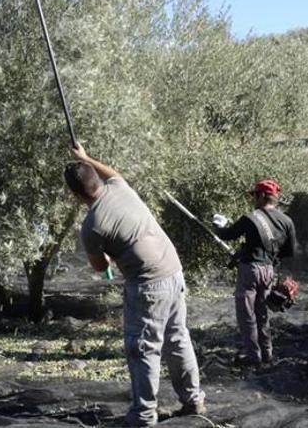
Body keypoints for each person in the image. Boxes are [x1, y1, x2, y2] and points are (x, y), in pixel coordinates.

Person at [64, 143, 205, 427]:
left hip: (147, 285)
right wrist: (86, 157)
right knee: (178, 339)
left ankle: (143, 416)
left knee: (142, 348)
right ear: (97, 179)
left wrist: (107, 254)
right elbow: (113, 173)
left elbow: (100, 267)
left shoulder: (92, 226)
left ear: (77, 196)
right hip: (173, 271)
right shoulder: (120, 189)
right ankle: (194, 401)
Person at [212, 179, 297, 368]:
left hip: (249, 270)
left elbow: (227, 235)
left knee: (247, 315)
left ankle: (253, 356)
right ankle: (267, 353)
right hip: (268, 272)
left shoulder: (250, 218)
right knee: (262, 314)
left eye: (254, 196)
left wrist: (218, 224)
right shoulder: (287, 221)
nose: (253, 200)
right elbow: (288, 252)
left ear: (261, 196)